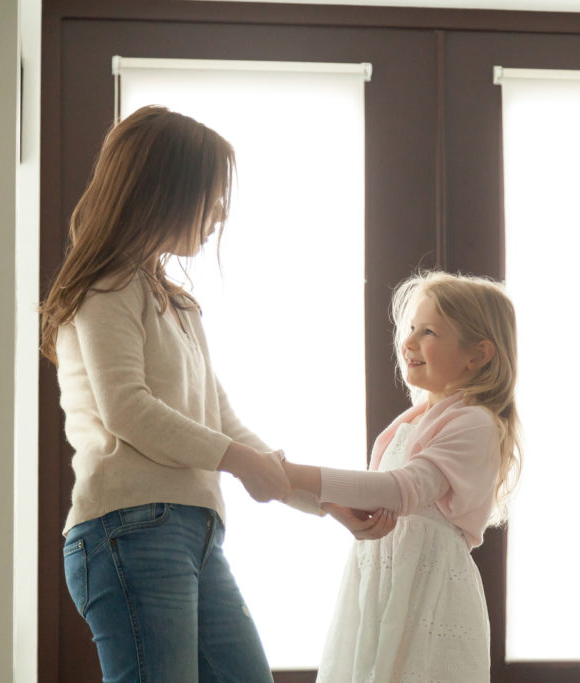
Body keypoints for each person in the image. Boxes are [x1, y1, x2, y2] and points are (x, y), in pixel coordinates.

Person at [39, 105, 304, 682]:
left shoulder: (176, 303)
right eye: (211, 195)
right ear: (166, 190)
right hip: (130, 529)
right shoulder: (107, 285)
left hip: (191, 532)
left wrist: (322, 500)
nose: (220, 212)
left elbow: (222, 420)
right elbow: (128, 410)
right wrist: (242, 463)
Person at [282, 270, 521, 682]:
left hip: (427, 597)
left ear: (477, 355)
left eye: (428, 331)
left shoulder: (475, 424)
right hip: (383, 588)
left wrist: (294, 475)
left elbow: (401, 489)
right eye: (411, 328)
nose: (408, 342)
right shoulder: (409, 422)